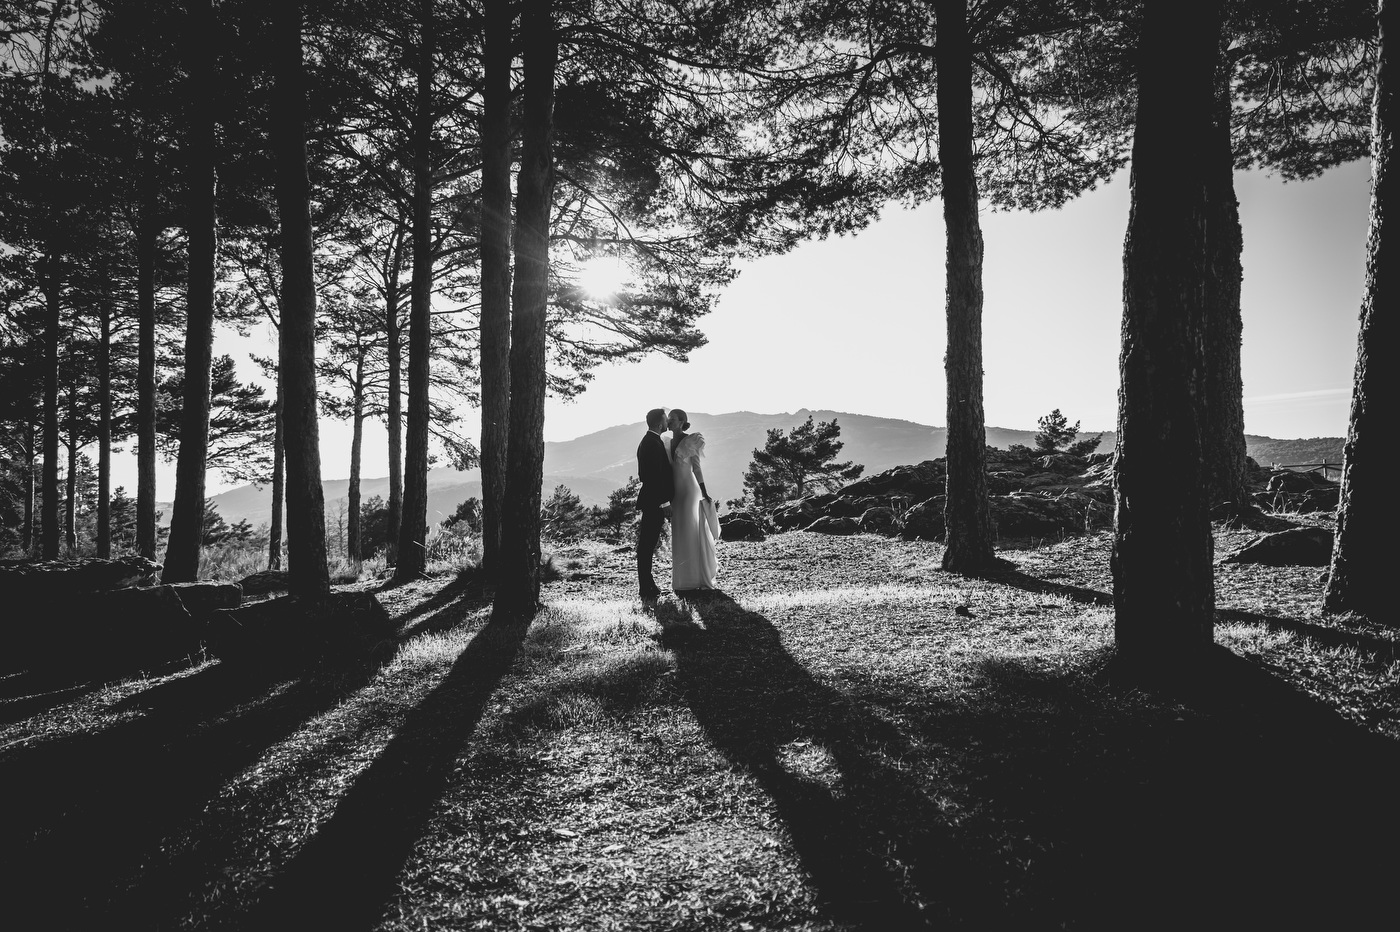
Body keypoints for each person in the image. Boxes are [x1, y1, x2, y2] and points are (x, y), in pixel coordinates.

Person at [666, 408, 719, 592]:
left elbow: (696, 468)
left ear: (681, 422)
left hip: (689, 491)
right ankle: (681, 580)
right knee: (678, 533)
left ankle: (695, 579)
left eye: (673, 419)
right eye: (668, 418)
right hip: (673, 493)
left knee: (690, 531)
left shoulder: (691, 440)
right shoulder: (665, 442)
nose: (669, 421)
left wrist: (704, 491)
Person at [635, 407, 674, 601]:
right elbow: (653, 477)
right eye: (666, 419)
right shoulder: (651, 443)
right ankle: (646, 587)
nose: (668, 422)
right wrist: (664, 502)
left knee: (648, 544)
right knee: (646, 545)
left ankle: (649, 585)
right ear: (660, 423)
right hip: (654, 501)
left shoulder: (651, 441)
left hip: (652, 500)